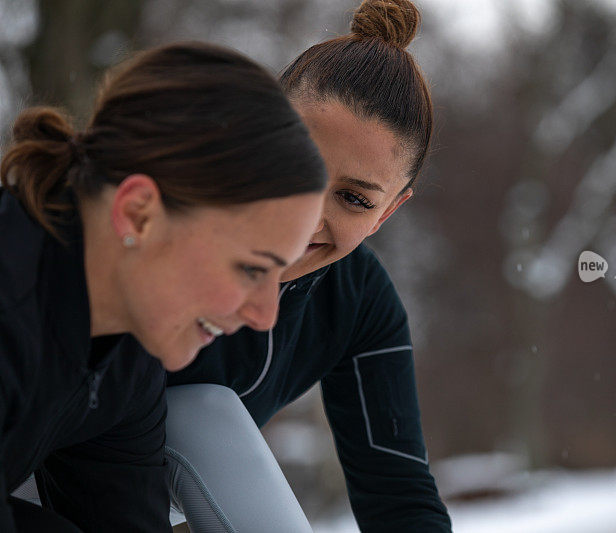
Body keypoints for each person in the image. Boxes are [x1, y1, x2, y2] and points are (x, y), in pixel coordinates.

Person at [0, 41, 327, 532]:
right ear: (139, 214)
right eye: (250, 269)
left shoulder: (124, 360)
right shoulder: (11, 301)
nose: (264, 315)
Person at [168, 1, 452, 531]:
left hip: (124, 498)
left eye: (354, 199)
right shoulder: (152, 220)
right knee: (202, 412)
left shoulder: (361, 301)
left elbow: (399, 496)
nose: (306, 218)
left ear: (388, 213)